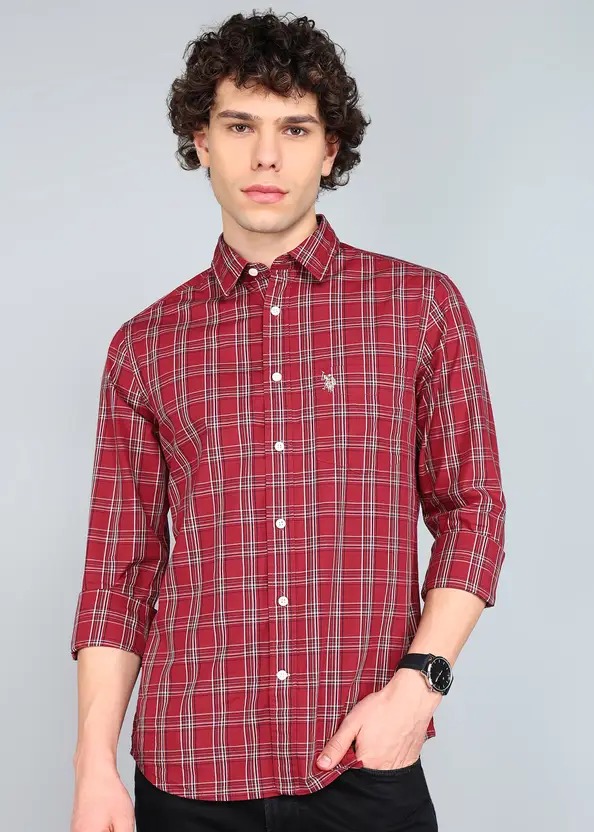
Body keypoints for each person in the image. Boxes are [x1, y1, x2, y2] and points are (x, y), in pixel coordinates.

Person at [69, 10, 506, 832]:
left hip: (362, 763)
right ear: (201, 140)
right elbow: (120, 574)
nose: (265, 156)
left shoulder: (421, 308)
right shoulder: (143, 346)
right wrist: (94, 766)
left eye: (295, 129)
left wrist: (421, 684)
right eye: (240, 126)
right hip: (188, 771)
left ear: (330, 149)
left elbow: (472, 509)